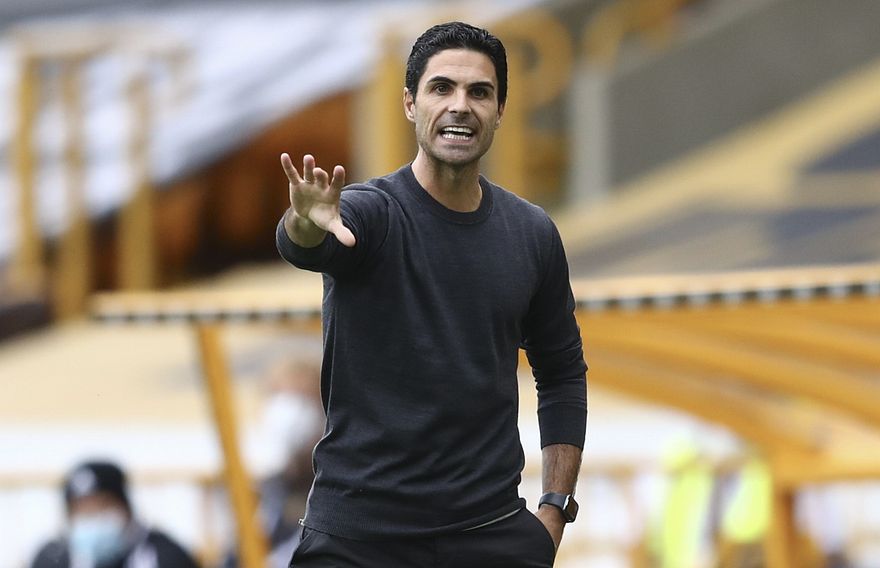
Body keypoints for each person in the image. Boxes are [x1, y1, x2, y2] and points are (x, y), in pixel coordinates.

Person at [276, 21, 587, 567]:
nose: (460, 105)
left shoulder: (532, 233)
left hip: (489, 536)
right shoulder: (372, 212)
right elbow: (308, 243)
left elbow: (561, 373)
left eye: (479, 92)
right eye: (441, 88)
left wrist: (554, 510)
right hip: (358, 542)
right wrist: (304, 223)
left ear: (500, 110)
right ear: (410, 104)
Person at [30, 460, 200, 568]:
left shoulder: (165, 556)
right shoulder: (52, 559)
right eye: (83, 511)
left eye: (103, 506)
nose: (93, 518)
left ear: (126, 509)